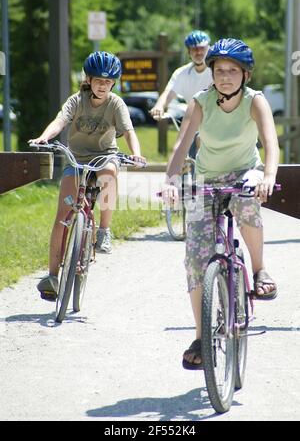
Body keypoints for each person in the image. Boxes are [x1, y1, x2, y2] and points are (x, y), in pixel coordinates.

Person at [163, 38, 280, 370]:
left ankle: (259, 270)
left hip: (246, 171)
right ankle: (202, 334)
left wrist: (268, 175)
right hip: (206, 179)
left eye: (232, 70)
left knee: (246, 201)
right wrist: (171, 180)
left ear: (245, 74)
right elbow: (183, 143)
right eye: (219, 70)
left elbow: (270, 142)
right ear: (211, 73)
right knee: (195, 258)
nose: (225, 76)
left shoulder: (255, 102)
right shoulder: (200, 103)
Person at [30, 51, 145, 301]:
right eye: (98, 81)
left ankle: (104, 230)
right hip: (76, 158)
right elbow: (60, 120)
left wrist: (136, 154)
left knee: (110, 172)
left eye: (108, 81)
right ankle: (52, 276)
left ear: (113, 83)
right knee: (62, 216)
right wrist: (45, 137)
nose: (103, 86)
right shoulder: (76, 100)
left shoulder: (116, 103)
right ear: (89, 80)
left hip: (105, 155)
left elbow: (128, 131)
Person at [150, 30, 212, 158]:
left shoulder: (216, 71)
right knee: (180, 154)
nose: (199, 52)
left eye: (202, 48)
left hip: (214, 122)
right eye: (194, 49)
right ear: (189, 52)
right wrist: (159, 106)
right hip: (193, 122)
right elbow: (169, 93)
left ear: (208, 49)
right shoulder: (182, 73)